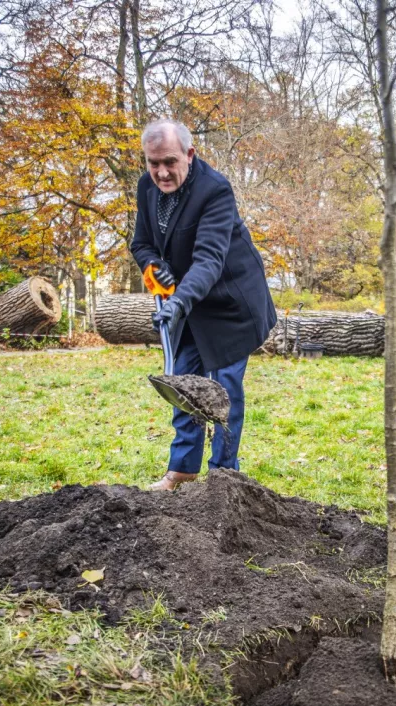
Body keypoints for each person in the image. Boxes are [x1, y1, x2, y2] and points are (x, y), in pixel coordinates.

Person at [131, 119, 277, 491]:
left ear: (189, 155)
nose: (161, 172)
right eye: (153, 163)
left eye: (169, 162)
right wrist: (155, 270)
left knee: (224, 389)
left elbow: (210, 259)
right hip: (190, 302)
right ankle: (181, 469)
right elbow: (141, 245)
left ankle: (223, 476)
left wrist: (178, 300)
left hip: (231, 301)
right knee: (182, 379)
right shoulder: (146, 188)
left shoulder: (215, 191)